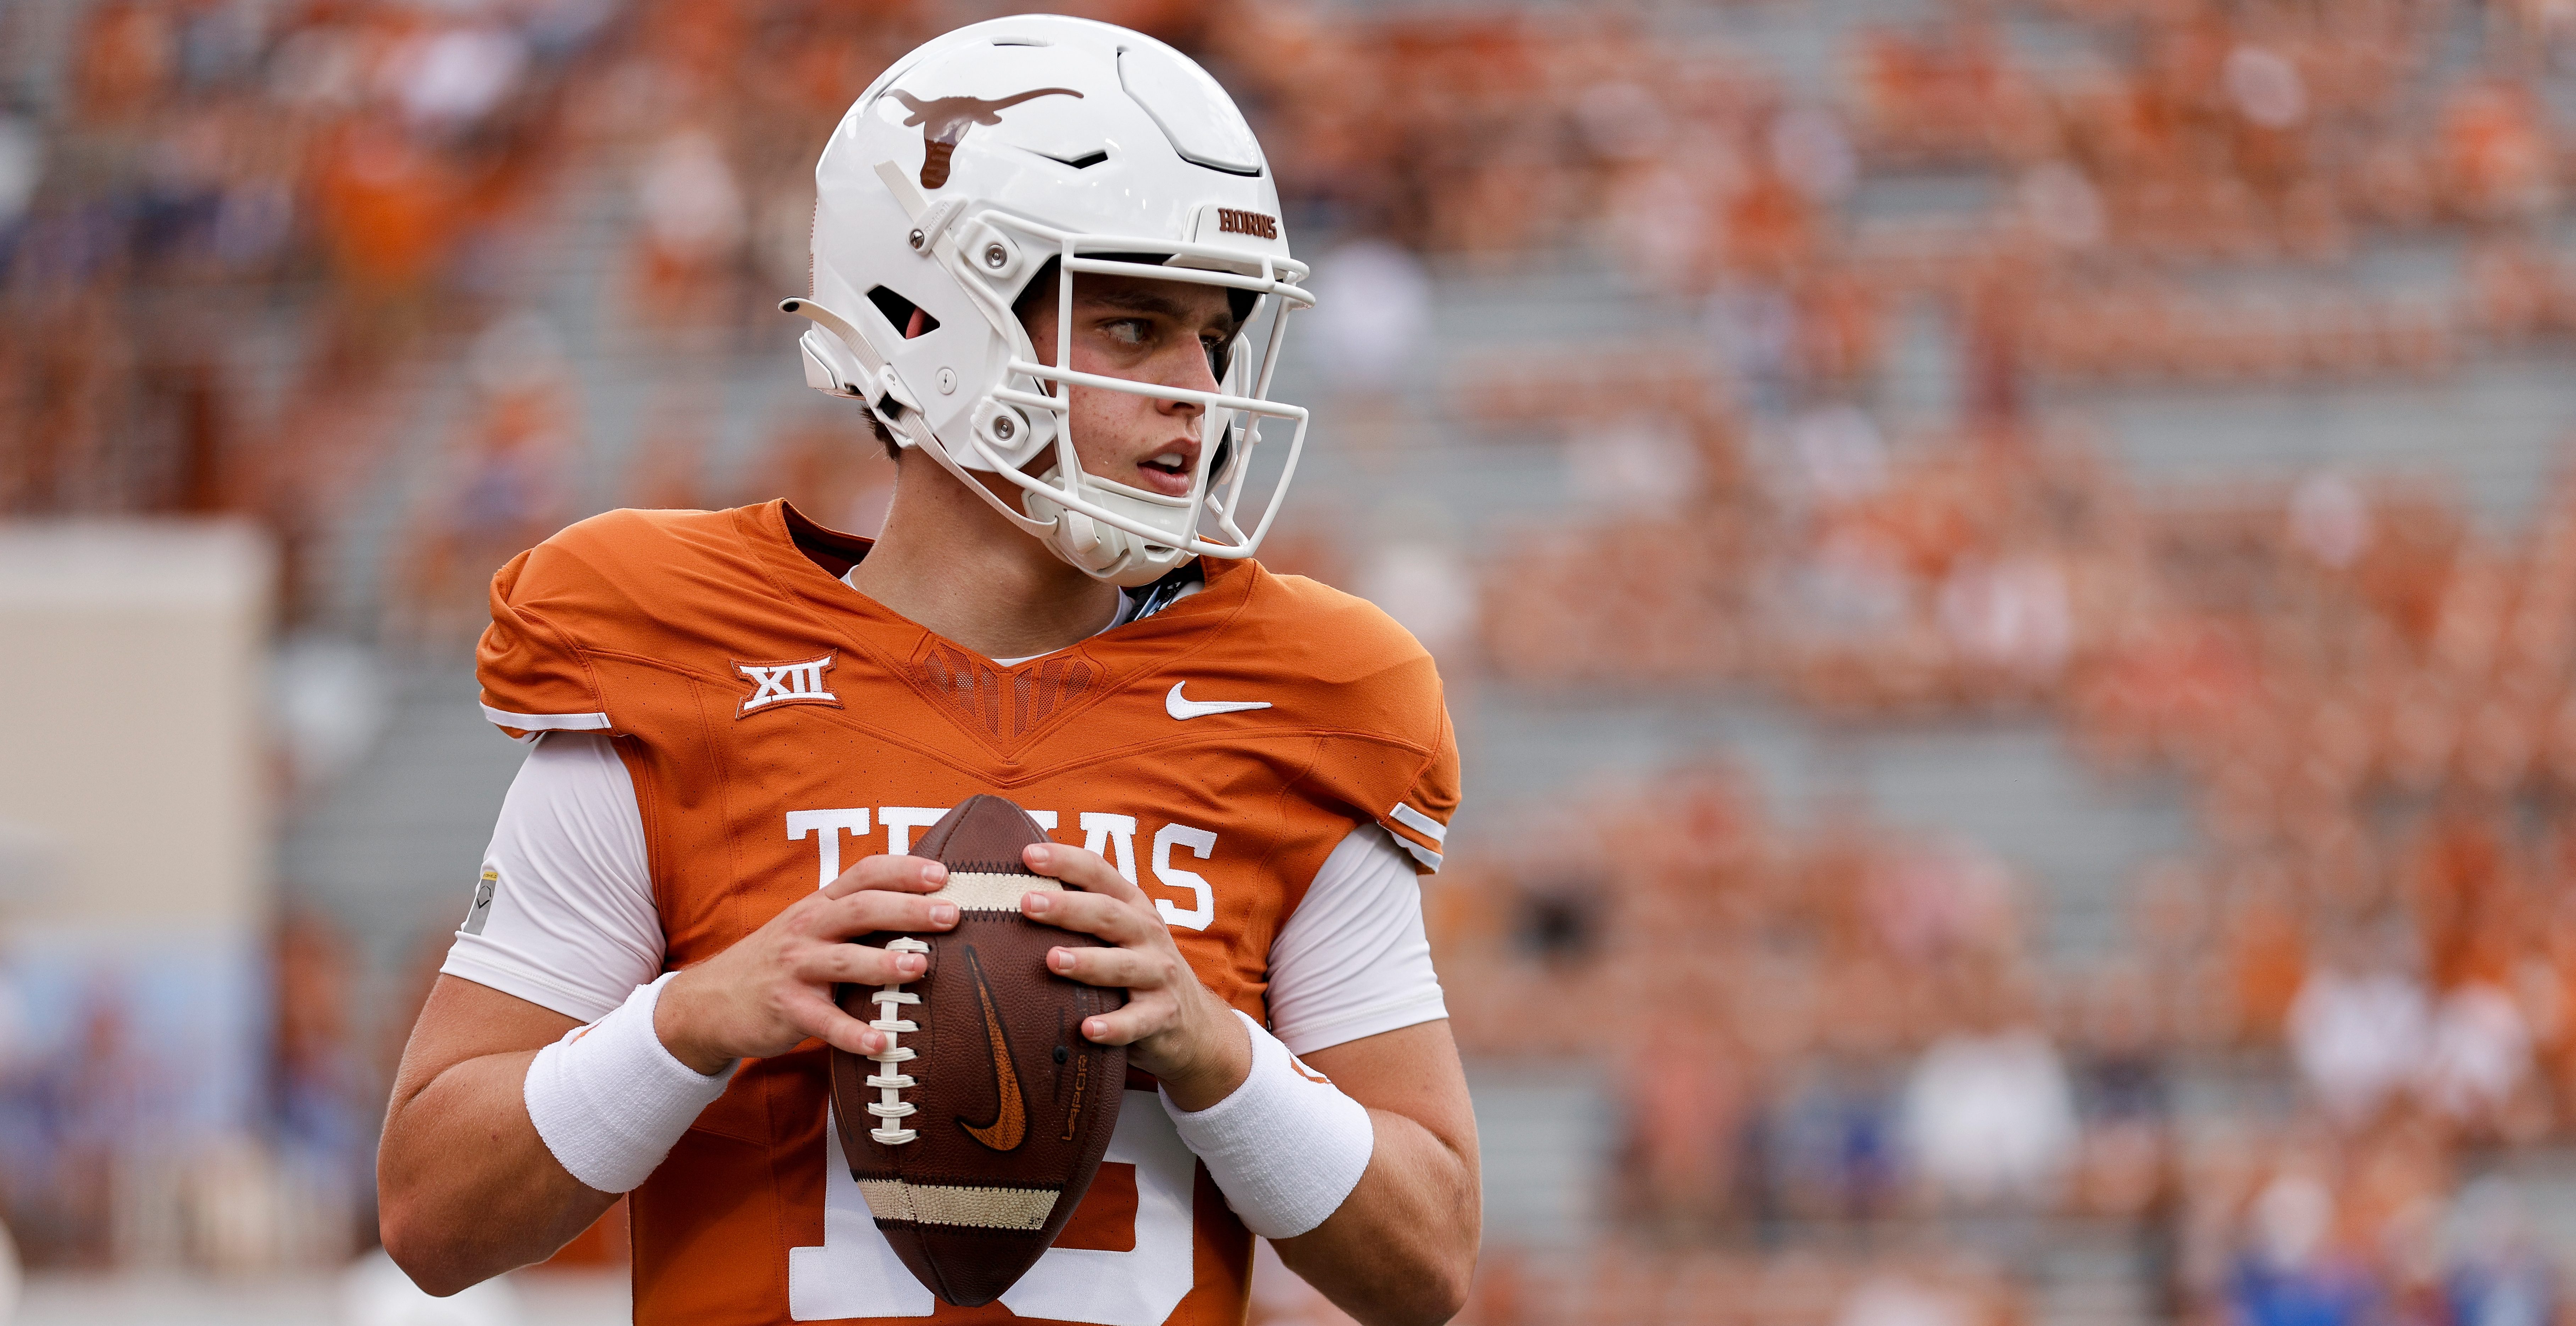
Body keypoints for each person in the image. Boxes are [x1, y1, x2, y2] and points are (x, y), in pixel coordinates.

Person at [375, 18, 1478, 1326]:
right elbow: (432, 1217)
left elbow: (1430, 1265)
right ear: (930, 319)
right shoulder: (684, 661)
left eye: (1214, 333)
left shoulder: (1302, 696)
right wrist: (698, 1017)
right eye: (1134, 326)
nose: (1199, 389)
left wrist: (1213, 1049)